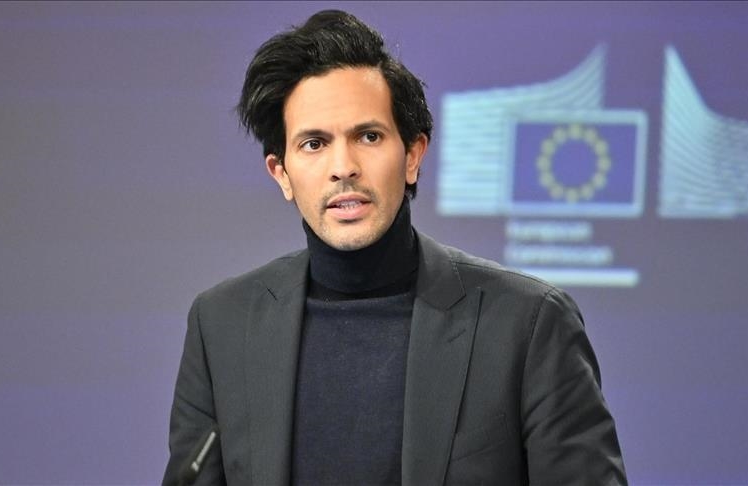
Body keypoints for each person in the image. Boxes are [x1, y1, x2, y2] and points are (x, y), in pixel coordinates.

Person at [162, 9, 626, 486]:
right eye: (314, 144)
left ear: (413, 155)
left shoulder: (527, 324)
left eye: (368, 136)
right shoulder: (222, 326)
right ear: (281, 173)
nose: (343, 167)